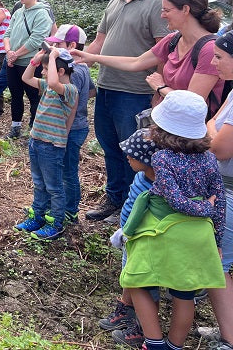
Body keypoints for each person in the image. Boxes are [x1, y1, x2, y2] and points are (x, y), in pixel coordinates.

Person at [120, 90, 226, 350]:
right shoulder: (210, 159)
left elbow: (175, 199)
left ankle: (155, 342)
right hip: (199, 235)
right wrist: (217, 239)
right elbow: (219, 202)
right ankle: (175, 346)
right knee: (184, 294)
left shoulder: (161, 158)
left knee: (137, 282)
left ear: (161, 128)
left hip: (166, 231)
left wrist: (200, 209)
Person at [81, 0, 170, 222]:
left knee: (135, 151)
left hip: (134, 92)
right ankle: (115, 198)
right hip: (107, 86)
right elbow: (99, 42)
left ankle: (133, 206)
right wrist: (74, 63)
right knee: (110, 146)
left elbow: (163, 49)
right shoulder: (116, 0)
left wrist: (159, 91)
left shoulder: (157, 0)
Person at [73, 0, 223, 108]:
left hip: (191, 136)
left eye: (166, 10)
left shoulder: (209, 49)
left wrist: (161, 87)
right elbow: (136, 62)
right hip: (169, 125)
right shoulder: (173, 40)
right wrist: (91, 57)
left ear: (185, 9)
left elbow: (192, 104)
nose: (162, 15)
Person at [99, 127, 158, 349]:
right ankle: (126, 308)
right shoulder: (142, 176)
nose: (127, 156)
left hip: (143, 241)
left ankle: (143, 330)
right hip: (130, 238)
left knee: (144, 284)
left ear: (146, 159)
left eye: (132, 154)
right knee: (129, 275)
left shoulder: (156, 185)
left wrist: (127, 231)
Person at [13, 47, 78, 240]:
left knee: (54, 187)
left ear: (60, 71)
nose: (42, 71)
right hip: (36, 141)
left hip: (52, 146)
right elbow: (26, 78)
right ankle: (38, 216)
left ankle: (56, 223)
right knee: (39, 183)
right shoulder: (49, 86)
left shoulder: (69, 90)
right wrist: (35, 61)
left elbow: (51, 80)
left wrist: (55, 56)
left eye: (46, 68)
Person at [202, 32, 233, 350]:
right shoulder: (231, 91)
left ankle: (230, 337)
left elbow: (221, 147)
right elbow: (211, 123)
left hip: (229, 192)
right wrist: (213, 127)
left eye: (220, 57)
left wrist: (212, 128)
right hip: (223, 186)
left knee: (217, 264)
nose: (213, 62)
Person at [45, 25, 95, 223]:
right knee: (62, 168)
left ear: (72, 45)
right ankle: (60, 205)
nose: (54, 49)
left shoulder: (75, 72)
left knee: (67, 170)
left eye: (58, 45)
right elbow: (92, 92)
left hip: (71, 129)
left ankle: (70, 210)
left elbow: (55, 87)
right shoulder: (81, 69)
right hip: (72, 126)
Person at [1, 0, 53, 139]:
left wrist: (17, 54)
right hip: (12, 62)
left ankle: (34, 130)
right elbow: (7, 33)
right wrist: (9, 52)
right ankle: (15, 127)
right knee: (15, 95)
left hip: (31, 63)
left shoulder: (42, 14)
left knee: (34, 97)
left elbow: (37, 40)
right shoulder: (18, 11)